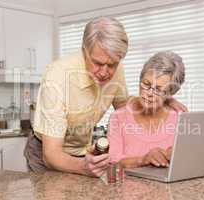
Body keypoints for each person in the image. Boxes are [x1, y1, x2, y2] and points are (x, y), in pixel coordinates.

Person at [24, 17, 187, 177]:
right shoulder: (57, 78)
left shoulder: (116, 68)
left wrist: (163, 97)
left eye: (112, 65)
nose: (104, 72)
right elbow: (51, 155)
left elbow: (124, 106)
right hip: (48, 153)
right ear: (84, 51)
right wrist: (84, 166)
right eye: (97, 63)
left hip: (82, 151)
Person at [108, 51, 185, 168]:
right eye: (146, 84)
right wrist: (143, 159)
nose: (149, 93)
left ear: (171, 93)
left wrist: (176, 156)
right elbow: (112, 162)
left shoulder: (180, 116)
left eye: (159, 90)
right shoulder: (118, 117)